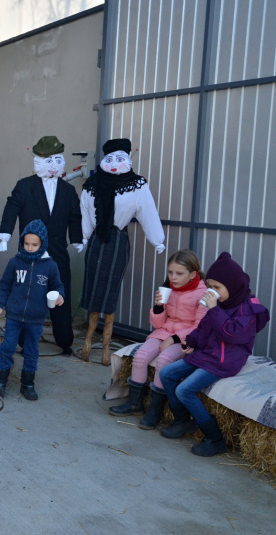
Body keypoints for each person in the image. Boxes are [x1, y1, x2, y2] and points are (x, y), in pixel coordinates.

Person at [159, 252, 269, 457]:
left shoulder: (248, 309)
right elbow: (204, 328)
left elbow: (232, 334)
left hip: (225, 360)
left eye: (217, 287)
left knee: (185, 390)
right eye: (210, 286)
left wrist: (213, 308)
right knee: (167, 373)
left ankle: (215, 438)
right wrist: (191, 341)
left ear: (233, 285)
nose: (212, 291)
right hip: (207, 353)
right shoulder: (219, 305)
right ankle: (183, 420)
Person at [80, 138, 166, 365]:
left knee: (110, 289)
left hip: (118, 240)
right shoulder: (93, 183)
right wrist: (82, 237)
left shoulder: (136, 184)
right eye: (111, 159)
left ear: (128, 159)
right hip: (97, 240)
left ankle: (106, 347)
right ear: (104, 161)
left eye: (120, 158)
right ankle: (87, 341)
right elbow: (86, 212)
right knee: (93, 287)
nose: (115, 163)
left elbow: (147, 211)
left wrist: (157, 239)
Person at [0, 136, 83, 355]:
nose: (53, 165)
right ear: (38, 160)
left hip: (57, 251)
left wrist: (77, 239)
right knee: (26, 293)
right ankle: (25, 342)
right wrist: (5, 234)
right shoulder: (25, 186)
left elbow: (75, 216)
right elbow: (12, 208)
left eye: (57, 159)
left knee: (60, 291)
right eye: (48, 160)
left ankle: (64, 339)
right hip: (28, 253)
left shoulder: (67, 190)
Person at [108, 250, 208, 428]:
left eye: (179, 273)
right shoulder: (168, 287)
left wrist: (176, 338)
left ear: (193, 274)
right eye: (170, 272)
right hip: (163, 331)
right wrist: (158, 307)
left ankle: (154, 412)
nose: (173, 277)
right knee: (140, 356)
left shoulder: (203, 294)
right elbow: (157, 323)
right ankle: (135, 404)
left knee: (164, 361)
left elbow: (200, 326)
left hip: (186, 338)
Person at [0, 220, 65, 400]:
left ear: (42, 244)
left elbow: (57, 286)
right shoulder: (15, 262)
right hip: (14, 315)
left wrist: (60, 296)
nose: (30, 248)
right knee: (7, 347)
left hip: (36, 317)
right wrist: (0, 305)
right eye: (27, 244)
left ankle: (28, 383)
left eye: (35, 244)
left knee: (32, 350)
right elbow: (5, 286)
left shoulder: (50, 266)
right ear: (22, 242)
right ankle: (0, 382)